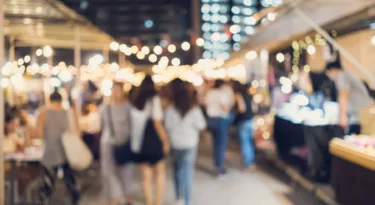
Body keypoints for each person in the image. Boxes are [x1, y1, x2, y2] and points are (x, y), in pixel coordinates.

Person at [165, 79, 206, 205]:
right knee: (187, 173)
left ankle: (179, 198)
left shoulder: (170, 110)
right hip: (190, 144)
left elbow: (167, 126)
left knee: (177, 171)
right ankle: (187, 201)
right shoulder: (194, 110)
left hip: (176, 144)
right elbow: (202, 125)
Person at [130, 75, 170, 205]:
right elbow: (157, 123)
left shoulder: (136, 102)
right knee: (159, 172)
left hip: (140, 141)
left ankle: (149, 202)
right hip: (154, 139)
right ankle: (158, 202)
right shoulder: (154, 100)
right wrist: (165, 141)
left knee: (145, 176)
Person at [35, 89, 80, 205]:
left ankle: (46, 201)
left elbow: (38, 134)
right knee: (70, 182)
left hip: (50, 152)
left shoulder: (43, 113)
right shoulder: (68, 113)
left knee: (48, 184)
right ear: (61, 100)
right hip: (67, 152)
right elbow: (78, 132)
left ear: (50, 100)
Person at [100, 82, 134, 205]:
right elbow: (101, 125)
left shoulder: (128, 107)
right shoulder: (104, 107)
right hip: (108, 143)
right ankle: (113, 199)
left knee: (126, 172)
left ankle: (126, 197)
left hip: (124, 143)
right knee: (109, 172)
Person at [325, 62, 374, 134]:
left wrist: (342, 116)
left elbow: (343, 94)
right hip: (361, 113)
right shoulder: (347, 75)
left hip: (361, 114)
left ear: (333, 70)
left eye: (328, 73)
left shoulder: (342, 76)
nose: (330, 76)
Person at [204, 80, 232, 177]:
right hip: (220, 120)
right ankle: (219, 167)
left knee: (215, 143)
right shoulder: (221, 94)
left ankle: (217, 164)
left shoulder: (209, 93)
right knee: (221, 144)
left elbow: (205, 104)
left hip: (211, 120)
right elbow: (225, 107)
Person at [233, 81, 255, 171]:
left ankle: (247, 164)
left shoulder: (238, 95)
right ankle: (251, 162)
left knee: (245, 143)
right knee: (249, 142)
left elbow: (242, 108)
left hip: (243, 121)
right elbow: (254, 108)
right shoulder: (250, 96)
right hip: (250, 120)